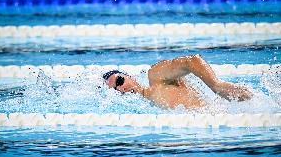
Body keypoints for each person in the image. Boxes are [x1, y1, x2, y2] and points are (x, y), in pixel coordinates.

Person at [103, 54, 252, 109]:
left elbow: (191, 61)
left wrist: (216, 85)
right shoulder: (149, 108)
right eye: (116, 90)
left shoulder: (155, 77)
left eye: (120, 81)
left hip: (231, 111)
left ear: (130, 77)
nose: (121, 89)